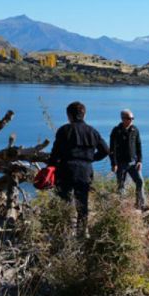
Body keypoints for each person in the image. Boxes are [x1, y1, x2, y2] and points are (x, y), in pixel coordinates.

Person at [48, 101, 109, 237]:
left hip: (65, 170)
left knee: (64, 202)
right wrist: (91, 158)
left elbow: (55, 153)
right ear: (84, 114)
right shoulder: (93, 131)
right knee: (82, 205)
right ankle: (81, 234)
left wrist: (50, 168)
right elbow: (105, 150)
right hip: (85, 171)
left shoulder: (64, 130)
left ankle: (63, 233)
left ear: (69, 115)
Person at [109, 109, 146, 211]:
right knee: (121, 185)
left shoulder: (135, 130)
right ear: (123, 119)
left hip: (134, 163)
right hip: (120, 163)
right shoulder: (116, 131)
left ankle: (140, 205)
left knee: (140, 181)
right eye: (130, 118)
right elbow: (112, 149)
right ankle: (122, 207)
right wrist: (114, 163)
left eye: (132, 118)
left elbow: (139, 146)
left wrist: (140, 161)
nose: (132, 120)